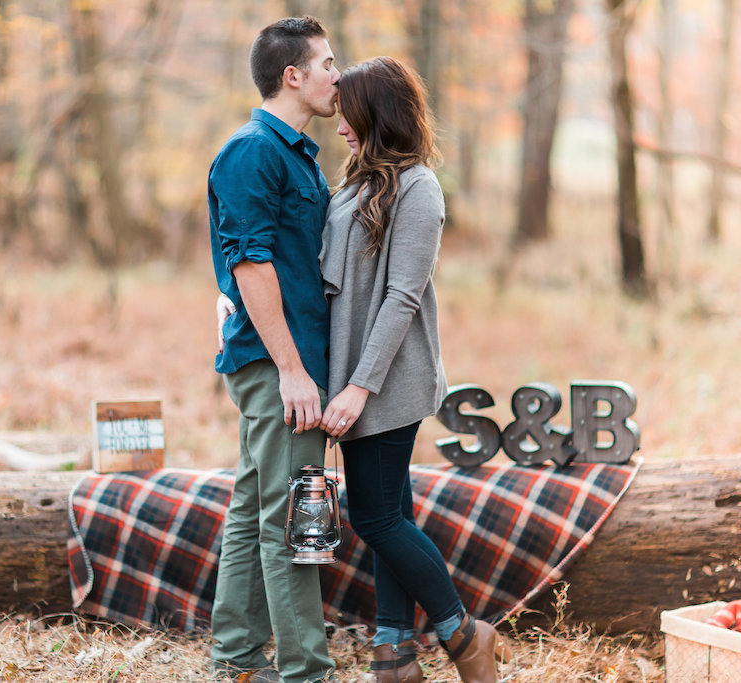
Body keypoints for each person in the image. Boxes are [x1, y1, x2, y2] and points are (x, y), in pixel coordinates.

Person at [317, 57, 512, 683]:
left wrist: (357, 386)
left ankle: (462, 631)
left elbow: (403, 295)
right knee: (390, 512)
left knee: (374, 517)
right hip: (354, 374)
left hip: (388, 381)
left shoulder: (419, 186)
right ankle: (394, 653)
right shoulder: (356, 181)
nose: (340, 124)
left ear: (376, 111)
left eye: (348, 111)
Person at [207, 16, 340, 683]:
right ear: (294, 76)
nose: (336, 77)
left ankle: (234, 655)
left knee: (256, 505)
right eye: (327, 63)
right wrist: (291, 369)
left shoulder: (294, 154)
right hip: (276, 366)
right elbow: (250, 265)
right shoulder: (253, 150)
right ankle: (307, 672)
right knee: (296, 515)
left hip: (292, 362)